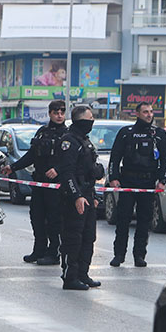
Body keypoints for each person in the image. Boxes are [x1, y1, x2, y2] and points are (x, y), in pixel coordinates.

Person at [0, 100, 68, 265]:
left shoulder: (68, 134)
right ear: (50, 113)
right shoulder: (42, 132)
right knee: (37, 217)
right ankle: (39, 250)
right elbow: (32, 155)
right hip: (39, 183)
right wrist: (13, 167)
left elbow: (71, 160)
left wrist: (58, 169)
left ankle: (54, 253)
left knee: (54, 220)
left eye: (62, 112)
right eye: (56, 112)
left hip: (56, 185)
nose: (59, 115)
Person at [108, 102, 166, 268]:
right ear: (137, 113)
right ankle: (119, 255)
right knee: (123, 219)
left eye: (151, 112)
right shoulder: (126, 133)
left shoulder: (159, 134)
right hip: (128, 181)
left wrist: (162, 181)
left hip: (148, 182)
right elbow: (115, 157)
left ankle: (139, 255)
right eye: (145, 112)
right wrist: (113, 178)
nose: (149, 115)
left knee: (145, 220)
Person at [56, 105, 105, 290]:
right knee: (73, 239)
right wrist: (76, 196)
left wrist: (91, 195)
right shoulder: (69, 142)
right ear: (80, 120)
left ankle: (83, 274)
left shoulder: (84, 141)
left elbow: (90, 169)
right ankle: (70, 277)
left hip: (88, 194)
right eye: (89, 118)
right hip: (73, 197)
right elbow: (67, 173)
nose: (92, 122)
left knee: (88, 237)